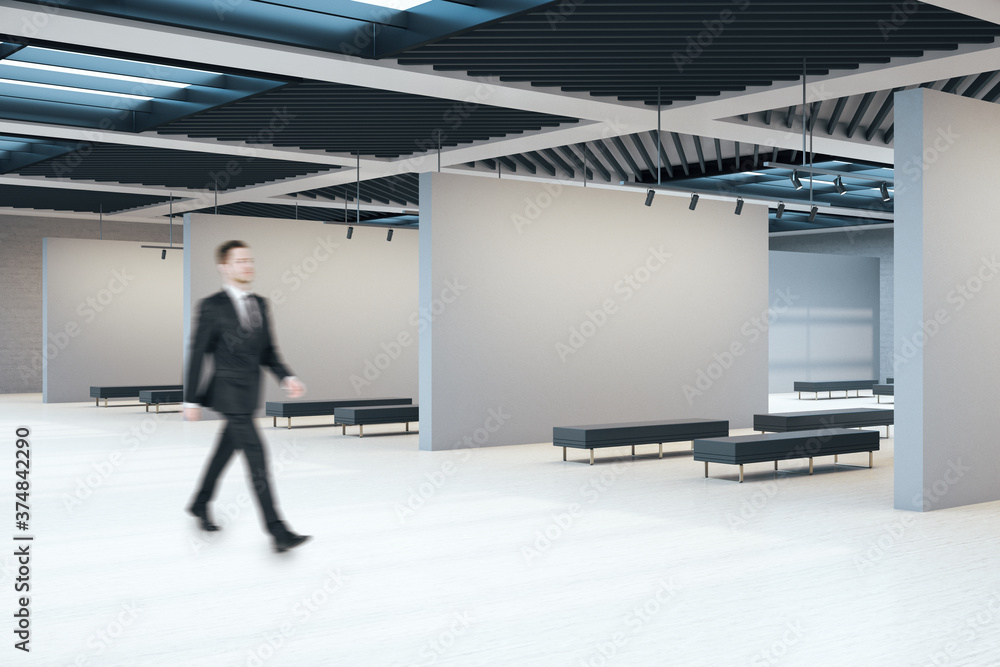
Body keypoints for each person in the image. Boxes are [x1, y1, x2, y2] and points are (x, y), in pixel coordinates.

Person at [183, 240, 310, 553]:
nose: (247, 265)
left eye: (249, 260)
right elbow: (197, 352)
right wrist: (190, 399)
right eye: (239, 261)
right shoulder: (211, 306)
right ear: (223, 267)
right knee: (257, 458)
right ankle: (277, 530)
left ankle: (199, 503)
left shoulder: (261, 304)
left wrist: (287, 377)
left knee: (223, 453)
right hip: (227, 394)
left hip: (249, 393)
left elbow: (268, 351)